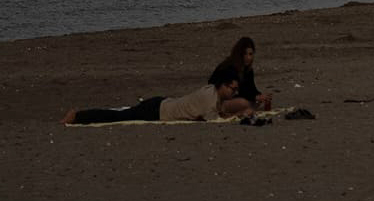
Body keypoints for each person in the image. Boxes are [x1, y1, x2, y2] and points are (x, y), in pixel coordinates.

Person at [61, 68, 246, 125]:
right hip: (157, 111)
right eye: (232, 89)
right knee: (117, 117)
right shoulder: (209, 98)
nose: (234, 93)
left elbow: (216, 113)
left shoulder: (212, 93)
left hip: (161, 103)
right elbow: (214, 120)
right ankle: (77, 116)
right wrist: (236, 117)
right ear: (222, 85)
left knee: (122, 113)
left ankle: (78, 115)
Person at [209, 36, 271, 112]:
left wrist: (260, 96)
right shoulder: (230, 67)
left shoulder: (248, 69)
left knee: (256, 102)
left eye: (250, 54)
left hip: (236, 97)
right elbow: (238, 91)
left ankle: (247, 108)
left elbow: (251, 88)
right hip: (219, 100)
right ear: (239, 54)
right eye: (245, 54)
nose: (248, 57)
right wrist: (255, 97)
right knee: (243, 103)